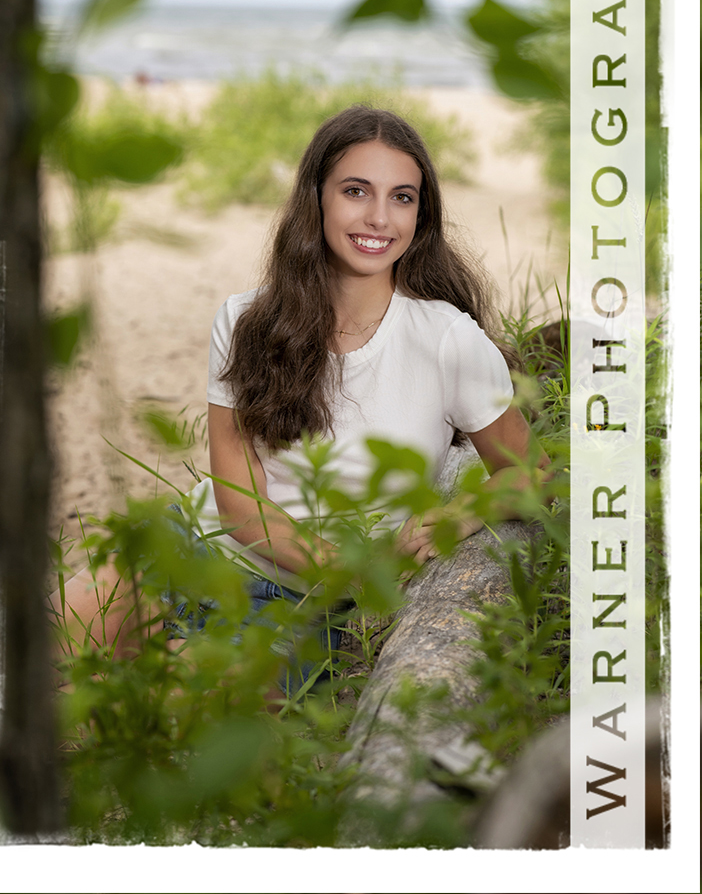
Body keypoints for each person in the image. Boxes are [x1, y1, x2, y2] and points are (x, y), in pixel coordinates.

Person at [53, 105, 548, 686]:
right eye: (356, 191)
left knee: (175, 710)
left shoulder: (448, 340)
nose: (379, 217)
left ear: (421, 215)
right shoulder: (246, 320)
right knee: (37, 661)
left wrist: (461, 514)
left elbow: (532, 472)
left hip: (299, 606)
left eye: (402, 197)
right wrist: (359, 569)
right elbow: (240, 507)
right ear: (317, 198)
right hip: (192, 543)